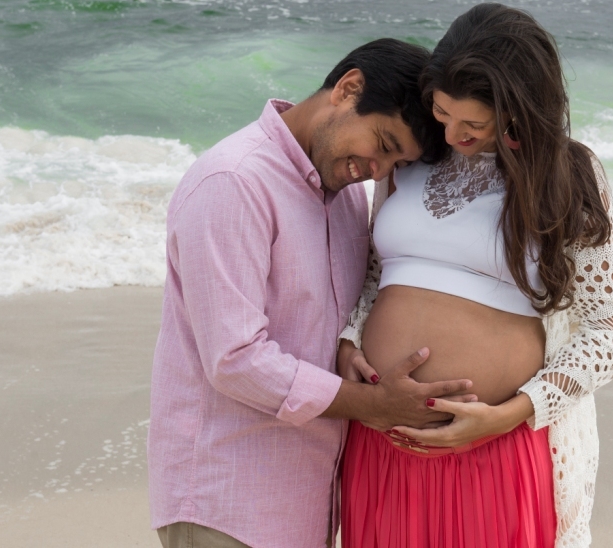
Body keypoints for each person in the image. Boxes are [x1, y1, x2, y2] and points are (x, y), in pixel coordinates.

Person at [147, 39, 477, 548]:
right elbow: (235, 358)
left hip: (307, 502)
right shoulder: (233, 182)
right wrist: (374, 404)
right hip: (226, 502)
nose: (378, 172)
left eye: (397, 164)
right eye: (384, 145)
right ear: (348, 89)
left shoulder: (342, 197)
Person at [337, 5, 613, 548]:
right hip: (381, 437)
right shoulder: (411, 158)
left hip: (489, 448)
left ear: (519, 108)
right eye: (443, 113)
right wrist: (349, 342)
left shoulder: (566, 176)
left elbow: (609, 332)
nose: (452, 133)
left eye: (473, 124)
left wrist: (510, 416)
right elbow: (376, 279)